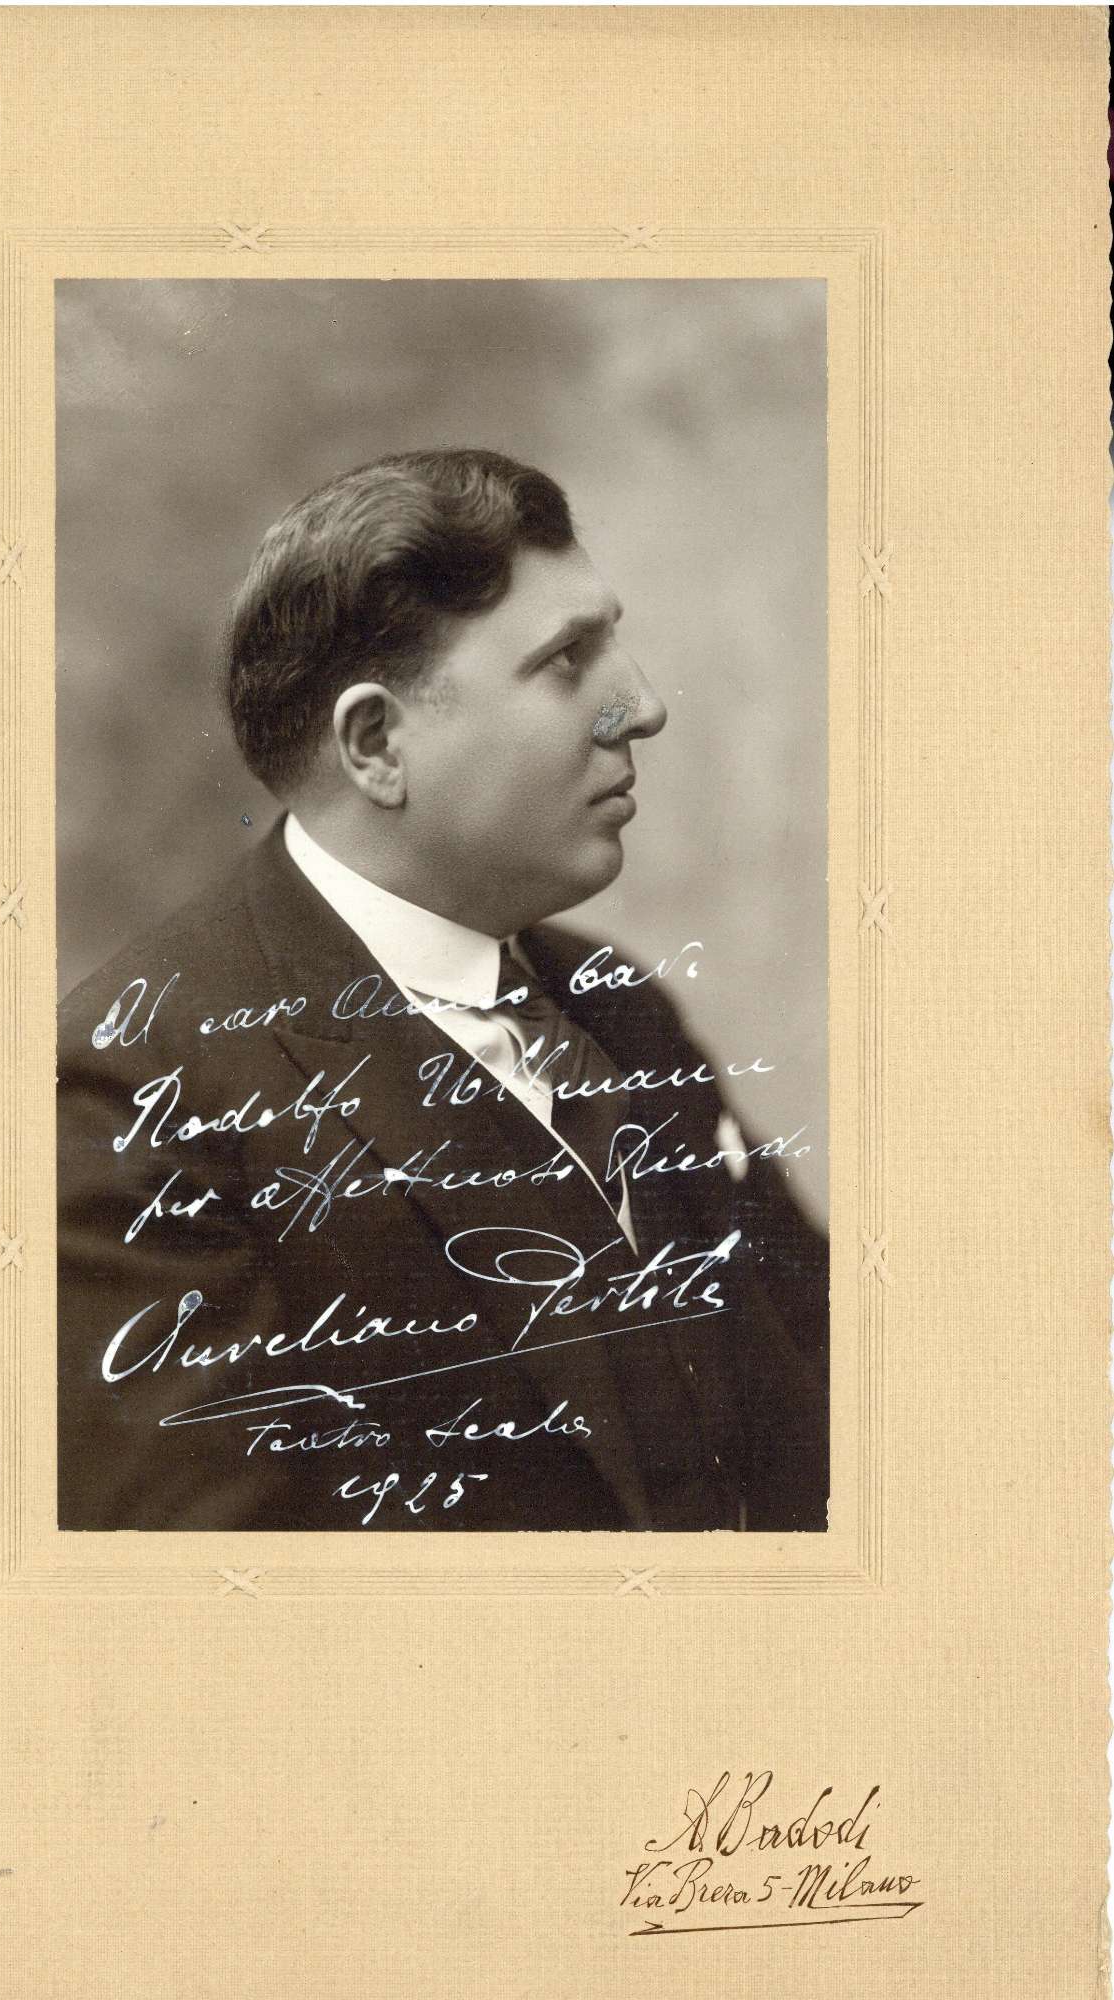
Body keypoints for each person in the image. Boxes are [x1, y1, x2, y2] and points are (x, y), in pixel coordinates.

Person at [57, 448, 828, 1533]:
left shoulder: (614, 1004)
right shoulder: (129, 1091)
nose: (642, 706)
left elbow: (835, 1400)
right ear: (376, 744)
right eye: (566, 659)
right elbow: (219, 1591)